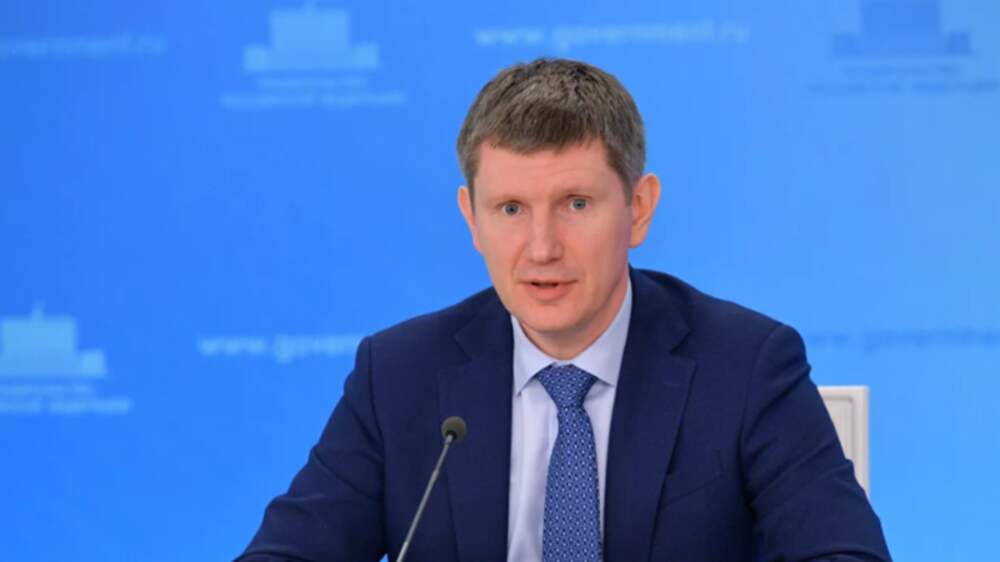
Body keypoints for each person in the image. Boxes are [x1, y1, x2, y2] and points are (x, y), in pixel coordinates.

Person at [236, 59, 891, 561]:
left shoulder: (746, 366)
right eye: (510, 209)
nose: (542, 248)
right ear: (471, 218)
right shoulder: (400, 375)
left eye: (576, 204)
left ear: (638, 209)